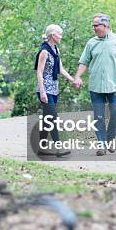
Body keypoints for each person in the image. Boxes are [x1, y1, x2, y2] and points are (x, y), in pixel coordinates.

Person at [74, 13, 116, 156]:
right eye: (93, 25)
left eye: (96, 25)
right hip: (96, 87)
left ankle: (109, 139)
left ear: (105, 25)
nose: (94, 28)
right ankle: (101, 145)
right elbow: (84, 62)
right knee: (98, 117)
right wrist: (78, 76)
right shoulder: (91, 43)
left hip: (114, 86)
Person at [34, 24, 75, 157]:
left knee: (47, 119)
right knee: (53, 118)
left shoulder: (56, 49)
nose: (61, 37)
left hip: (53, 89)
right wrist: (42, 92)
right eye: (60, 34)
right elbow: (39, 73)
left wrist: (73, 80)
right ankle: (59, 148)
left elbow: (61, 69)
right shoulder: (44, 51)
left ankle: (42, 148)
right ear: (52, 35)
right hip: (45, 89)